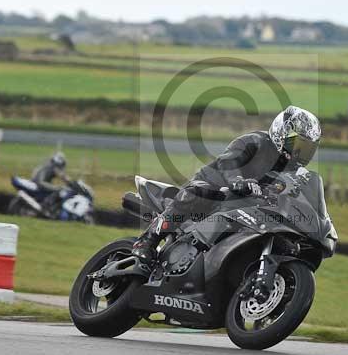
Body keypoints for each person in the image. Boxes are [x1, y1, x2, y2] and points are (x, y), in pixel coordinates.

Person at [131, 105, 322, 262]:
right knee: (198, 193)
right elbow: (228, 162)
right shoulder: (255, 141)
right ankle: (147, 240)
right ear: (282, 133)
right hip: (217, 188)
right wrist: (238, 181)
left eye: (308, 149)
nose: (301, 153)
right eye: (299, 145)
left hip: (248, 207)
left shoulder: (292, 170)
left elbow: (292, 192)